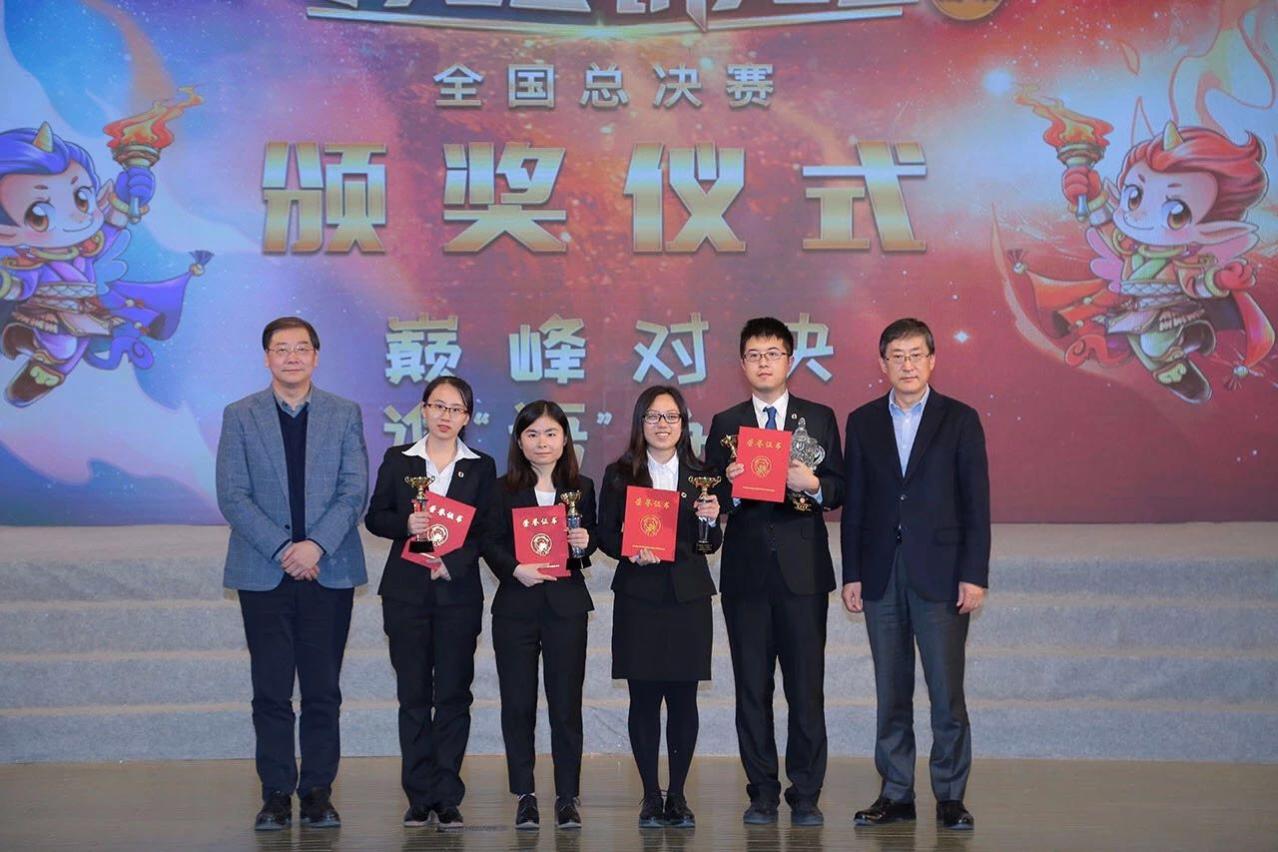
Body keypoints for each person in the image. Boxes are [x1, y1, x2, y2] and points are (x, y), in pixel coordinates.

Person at [216, 316, 368, 831]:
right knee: (271, 690)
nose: (292, 357)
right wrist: (285, 549)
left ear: (316, 356)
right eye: (281, 349)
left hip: (329, 569)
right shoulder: (240, 415)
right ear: (267, 358)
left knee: (323, 690)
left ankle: (318, 793)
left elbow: (354, 490)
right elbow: (233, 494)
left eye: (302, 348)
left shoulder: (344, 413)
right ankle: (277, 794)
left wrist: (315, 545)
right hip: (265, 571)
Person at [841, 317, 990, 831]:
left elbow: (976, 504)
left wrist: (974, 573)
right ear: (882, 363)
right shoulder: (862, 422)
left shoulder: (960, 419)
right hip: (881, 573)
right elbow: (855, 505)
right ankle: (896, 793)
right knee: (891, 690)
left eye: (915, 355)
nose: (906, 365)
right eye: (897, 356)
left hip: (942, 574)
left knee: (946, 693)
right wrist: (852, 573)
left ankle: (950, 796)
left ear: (932, 360)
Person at [704, 316, 844, 827]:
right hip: (746, 576)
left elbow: (840, 487)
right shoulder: (726, 422)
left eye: (773, 354)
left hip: (802, 574)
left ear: (790, 360)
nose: (763, 363)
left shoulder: (819, 417)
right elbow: (708, 496)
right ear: (742, 364)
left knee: (806, 688)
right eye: (754, 355)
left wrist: (813, 484)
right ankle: (761, 792)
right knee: (751, 689)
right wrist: (728, 488)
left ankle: (805, 793)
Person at [364, 375, 496, 831]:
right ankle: (419, 797)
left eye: (456, 409)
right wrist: (407, 523)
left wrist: (451, 564)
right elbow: (375, 517)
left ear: (467, 417)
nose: (445, 416)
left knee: (455, 695)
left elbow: (486, 531)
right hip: (406, 594)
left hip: (457, 594)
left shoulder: (480, 467)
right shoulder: (399, 459)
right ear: (423, 409)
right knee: (414, 695)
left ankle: (448, 796)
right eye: (438, 406)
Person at [599, 385, 721, 829]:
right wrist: (631, 551)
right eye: (653, 416)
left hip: (688, 597)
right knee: (644, 698)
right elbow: (606, 535)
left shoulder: (703, 474)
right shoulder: (620, 474)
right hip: (640, 597)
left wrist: (711, 520)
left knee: (684, 699)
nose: (662, 424)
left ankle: (679, 796)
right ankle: (651, 795)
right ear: (640, 423)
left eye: (671, 417)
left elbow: (710, 543)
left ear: (684, 424)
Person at [482, 400, 597, 831]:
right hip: (516, 607)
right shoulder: (501, 489)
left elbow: (590, 543)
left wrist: (585, 541)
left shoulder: (582, 487)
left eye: (550, 433)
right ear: (519, 440)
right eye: (532, 434)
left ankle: (567, 796)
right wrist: (515, 569)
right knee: (518, 704)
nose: (542, 442)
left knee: (566, 705)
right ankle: (525, 795)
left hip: (566, 608)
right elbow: (488, 540)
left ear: (565, 439)